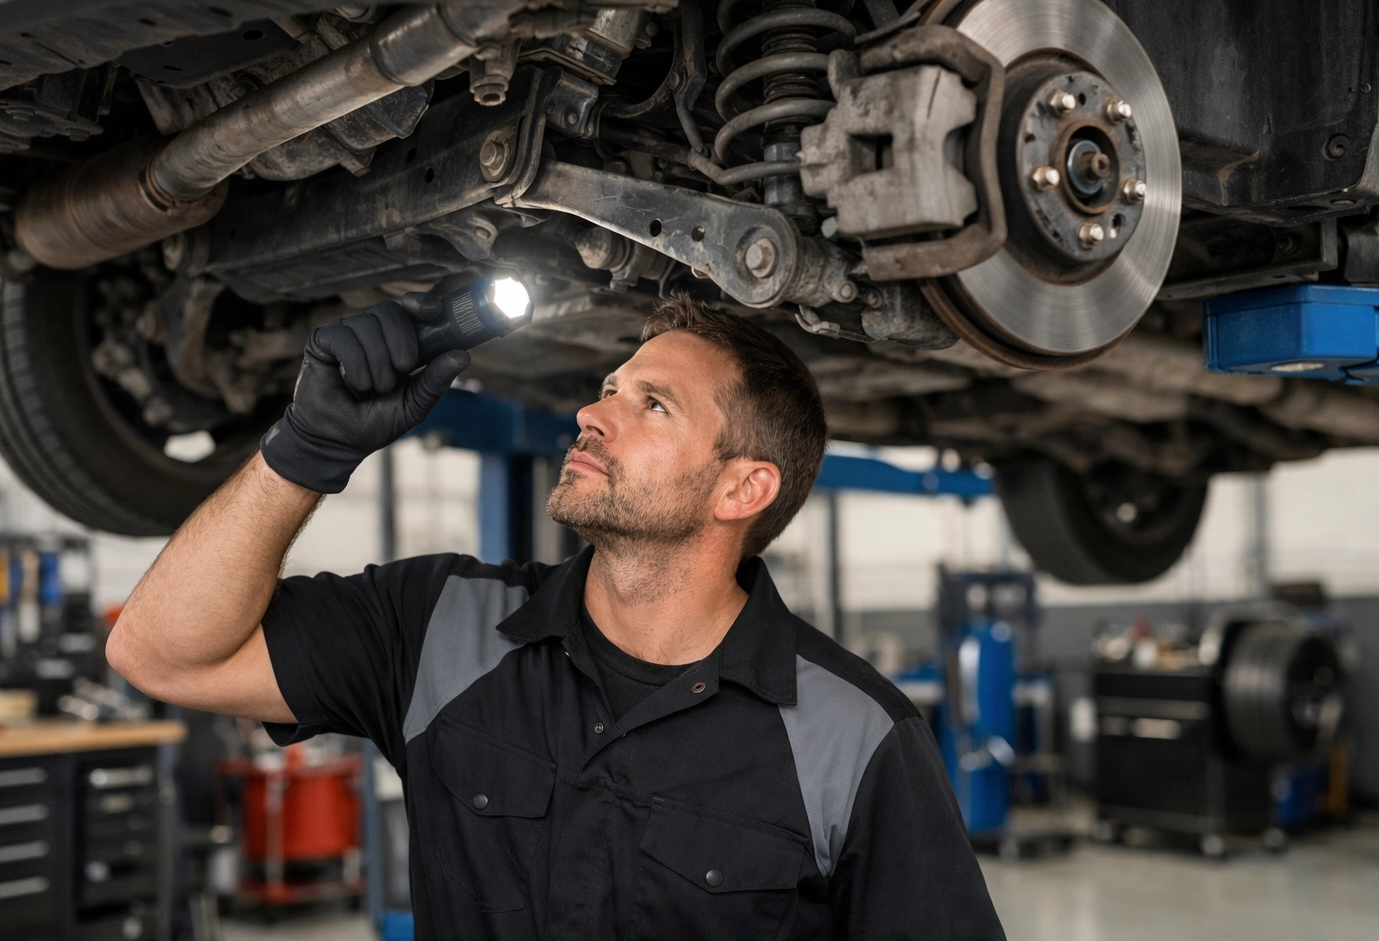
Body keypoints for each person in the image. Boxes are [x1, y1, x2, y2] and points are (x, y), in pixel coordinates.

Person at [107, 293, 1005, 940]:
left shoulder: (858, 736)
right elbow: (160, 656)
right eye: (609, 387)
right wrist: (305, 451)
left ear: (743, 487)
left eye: (651, 404)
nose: (591, 413)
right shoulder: (439, 628)